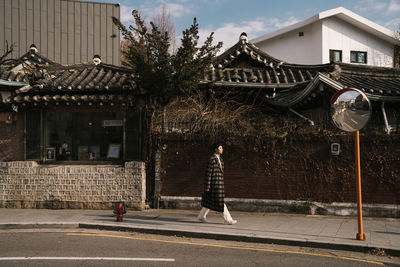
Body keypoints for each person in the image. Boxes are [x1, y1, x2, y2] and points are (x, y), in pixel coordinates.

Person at [197, 143, 237, 225]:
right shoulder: (212, 159)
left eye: (222, 148)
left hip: (220, 184)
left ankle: (201, 216)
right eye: (220, 148)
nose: (222, 149)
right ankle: (228, 220)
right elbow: (208, 174)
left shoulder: (221, 160)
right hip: (213, 185)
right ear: (215, 149)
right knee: (221, 202)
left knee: (209, 202)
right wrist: (207, 186)